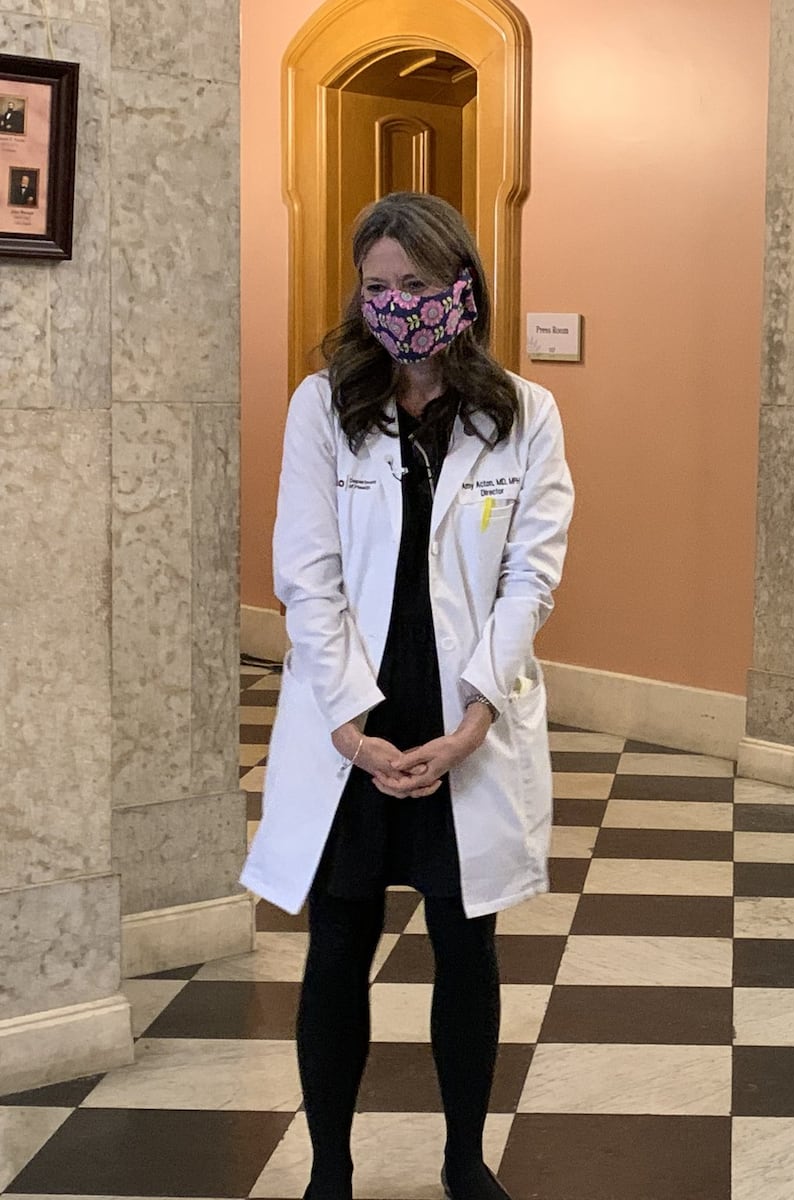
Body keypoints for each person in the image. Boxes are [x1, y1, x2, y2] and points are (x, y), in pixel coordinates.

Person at [240, 191, 573, 1200]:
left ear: (463, 287)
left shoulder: (523, 413)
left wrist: (476, 714)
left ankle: (464, 1162)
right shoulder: (322, 405)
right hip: (353, 719)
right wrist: (347, 725)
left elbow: (533, 574)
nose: (396, 305)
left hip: (462, 713)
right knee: (337, 942)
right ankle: (329, 1171)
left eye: (418, 286)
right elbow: (306, 573)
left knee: (463, 942)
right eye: (377, 286)